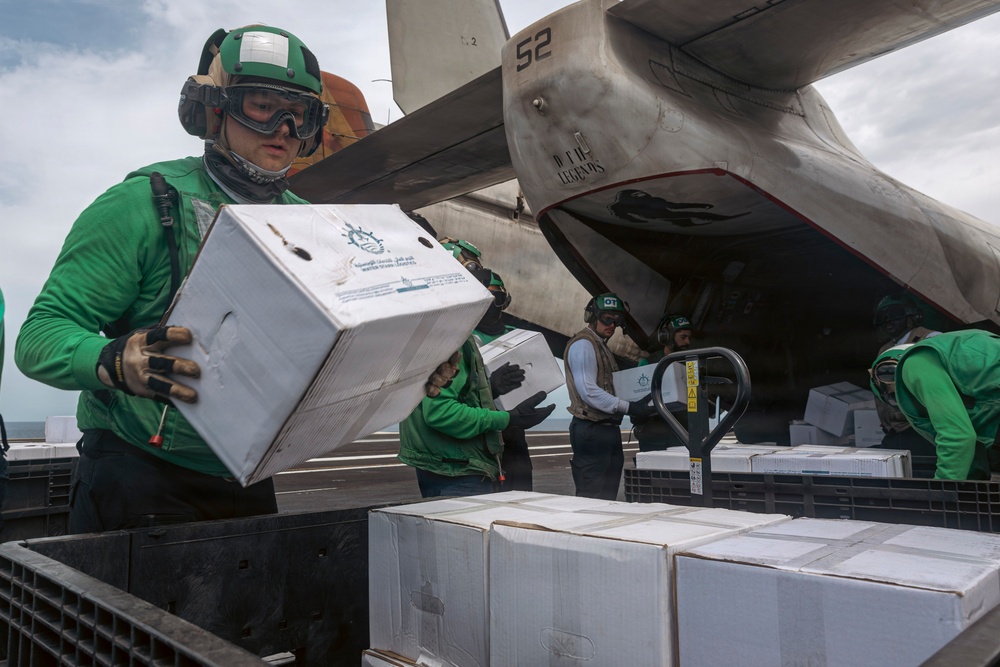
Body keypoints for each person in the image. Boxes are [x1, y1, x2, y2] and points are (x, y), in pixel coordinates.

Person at [14, 25, 458, 533]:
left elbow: (331, 339)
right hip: (138, 474)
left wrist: (411, 368)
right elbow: (40, 335)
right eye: (264, 106)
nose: (285, 128)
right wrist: (114, 360)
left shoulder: (308, 223)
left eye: (301, 114)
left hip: (247, 475)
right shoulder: (143, 203)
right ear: (215, 109)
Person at [398, 267, 555, 498]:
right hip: (458, 461)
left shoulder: (429, 330)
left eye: (496, 298)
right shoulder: (455, 338)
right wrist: (506, 416)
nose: (490, 304)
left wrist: (489, 390)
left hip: (449, 455)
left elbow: (447, 395)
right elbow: (440, 411)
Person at [869, 330, 1000, 480]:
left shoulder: (914, 364)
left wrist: (942, 493)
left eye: (895, 397)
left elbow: (957, 438)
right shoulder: (952, 359)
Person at [564, 293, 655, 499]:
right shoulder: (584, 344)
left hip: (607, 430)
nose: (612, 325)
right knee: (592, 496)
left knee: (608, 495)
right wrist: (630, 407)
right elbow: (589, 391)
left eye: (616, 320)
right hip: (591, 430)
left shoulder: (600, 345)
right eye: (606, 318)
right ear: (592, 316)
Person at [470, 270, 534, 491]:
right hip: (485, 428)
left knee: (522, 492)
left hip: (515, 428)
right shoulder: (467, 340)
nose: (489, 306)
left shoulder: (516, 336)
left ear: (504, 301)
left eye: (495, 298)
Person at [870, 294, 942, 462]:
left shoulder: (930, 339)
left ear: (911, 318)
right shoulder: (885, 350)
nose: (888, 321)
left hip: (923, 432)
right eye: (883, 317)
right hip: (895, 432)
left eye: (894, 314)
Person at [633, 314, 693, 452]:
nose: (687, 342)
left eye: (689, 338)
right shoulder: (647, 363)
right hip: (655, 437)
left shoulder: (692, 364)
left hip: (683, 435)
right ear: (667, 337)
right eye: (683, 337)